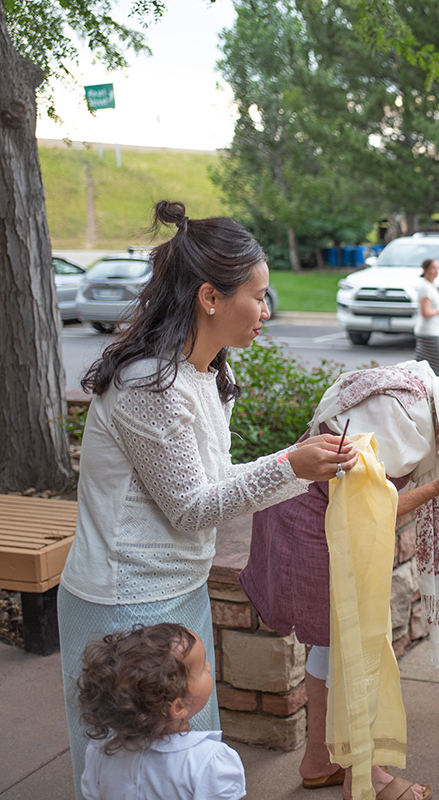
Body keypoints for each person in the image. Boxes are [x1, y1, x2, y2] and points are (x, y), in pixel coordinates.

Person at [60, 201, 356, 799]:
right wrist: (289, 466)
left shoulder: (204, 374)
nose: (267, 312)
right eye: (259, 295)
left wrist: (301, 466)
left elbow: (212, 481)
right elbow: (192, 506)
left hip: (179, 590)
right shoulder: (150, 385)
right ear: (210, 298)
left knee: (185, 765)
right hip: (125, 601)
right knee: (128, 774)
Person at [241, 363, 439, 800]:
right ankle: (368, 781)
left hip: (306, 512)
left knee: (331, 644)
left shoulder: (418, 393)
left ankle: (319, 761)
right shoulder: (396, 422)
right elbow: (371, 509)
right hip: (316, 527)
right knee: (357, 646)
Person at [76, 623, 245, 800]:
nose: (209, 667)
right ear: (178, 707)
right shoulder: (208, 762)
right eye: (202, 668)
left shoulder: (101, 748)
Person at [414, 258, 439, 376]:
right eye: (433, 268)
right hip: (429, 332)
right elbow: (425, 312)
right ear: (425, 270)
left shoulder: (431, 286)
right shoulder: (425, 287)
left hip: (430, 330)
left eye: (437, 268)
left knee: (421, 367)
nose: (436, 271)